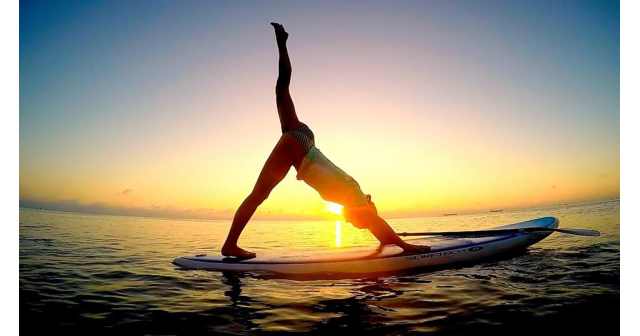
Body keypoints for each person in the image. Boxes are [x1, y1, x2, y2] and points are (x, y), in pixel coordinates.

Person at [221, 23, 430, 258]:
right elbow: (373, 220)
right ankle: (229, 245)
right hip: (300, 147)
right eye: (359, 221)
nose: (354, 222)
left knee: (282, 86)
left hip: (303, 139)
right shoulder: (354, 197)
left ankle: (282, 43)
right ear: (367, 207)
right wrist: (404, 245)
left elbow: (373, 222)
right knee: (257, 195)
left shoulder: (352, 193)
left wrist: (383, 239)